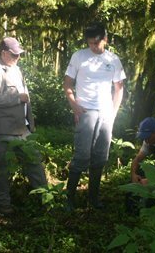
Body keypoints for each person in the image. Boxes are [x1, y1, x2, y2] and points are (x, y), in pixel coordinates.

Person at [63, 22, 125, 210]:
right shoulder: (79, 57)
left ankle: (93, 199)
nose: (93, 47)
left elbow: (119, 88)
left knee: (100, 157)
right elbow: (67, 83)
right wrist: (74, 105)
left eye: (96, 43)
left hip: (105, 112)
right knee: (81, 156)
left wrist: (113, 113)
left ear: (105, 39)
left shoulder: (113, 59)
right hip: (86, 111)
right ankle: (69, 199)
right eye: (90, 43)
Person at [0, 37, 48, 215]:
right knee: (1, 168)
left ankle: (46, 200)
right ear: (3, 53)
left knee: (34, 161)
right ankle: (3, 206)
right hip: (4, 130)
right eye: (14, 54)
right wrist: (17, 98)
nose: (17, 57)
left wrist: (31, 123)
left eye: (19, 54)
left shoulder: (17, 69)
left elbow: (26, 99)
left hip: (22, 128)